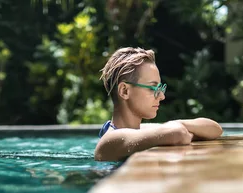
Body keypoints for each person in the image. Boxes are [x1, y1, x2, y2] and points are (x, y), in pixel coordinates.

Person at [95, 47, 223, 162]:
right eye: (152, 88)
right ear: (124, 91)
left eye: (160, 88)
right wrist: (184, 130)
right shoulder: (111, 139)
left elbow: (215, 129)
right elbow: (179, 134)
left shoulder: (139, 130)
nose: (161, 96)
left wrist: (178, 128)